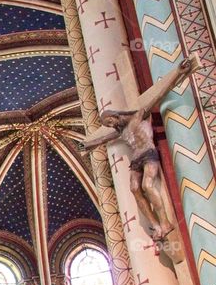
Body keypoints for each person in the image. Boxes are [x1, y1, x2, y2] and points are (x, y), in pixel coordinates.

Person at [83, 56, 199, 241]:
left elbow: (158, 94)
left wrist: (178, 72)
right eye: (107, 123)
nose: (110, 124)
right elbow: (106, 137)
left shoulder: (138, 116)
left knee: (147, 185)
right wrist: (90, 144)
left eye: (110, 120)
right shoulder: (121, 131)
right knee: (134, 188)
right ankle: (155, 226)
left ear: (116, 115)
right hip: (136, 161)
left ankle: (165, 222)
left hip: (148, 154)